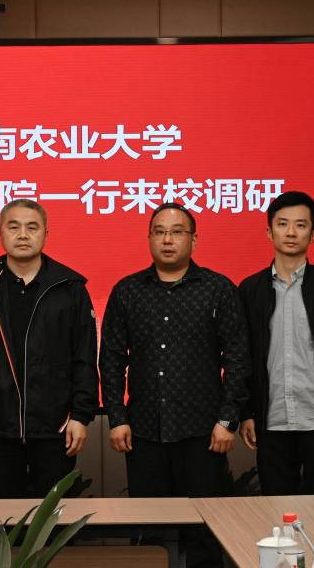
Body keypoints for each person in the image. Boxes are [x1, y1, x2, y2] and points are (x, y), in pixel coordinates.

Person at [99, 203, 249, 568]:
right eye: (160, 232)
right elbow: (112, 359)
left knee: (204, 530)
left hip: (204, 433)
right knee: (149, 527)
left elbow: (238, 358)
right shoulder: (127, 291)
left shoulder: (218, 289)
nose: (168, 239)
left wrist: (227, 420)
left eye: (177, 231)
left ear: (193, 240)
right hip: (144, 432)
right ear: (149, 238)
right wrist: (117, 418)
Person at [0, 199, 97, 499]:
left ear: (45, 233)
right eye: (14, 227)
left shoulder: (70, 288)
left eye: (32, 227)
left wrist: (80, 416)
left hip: (56, 427)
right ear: (0, 233)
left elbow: (84, 358)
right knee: (3, 517)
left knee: (54, 516)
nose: (23, 235)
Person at [237, 191, 314, 495]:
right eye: (282, 224)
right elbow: (242, 357)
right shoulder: (250, 290)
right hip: (271, 419)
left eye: (300, 225)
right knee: (277, 508)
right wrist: (245, 413)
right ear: (270, 232)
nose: (291, 232)